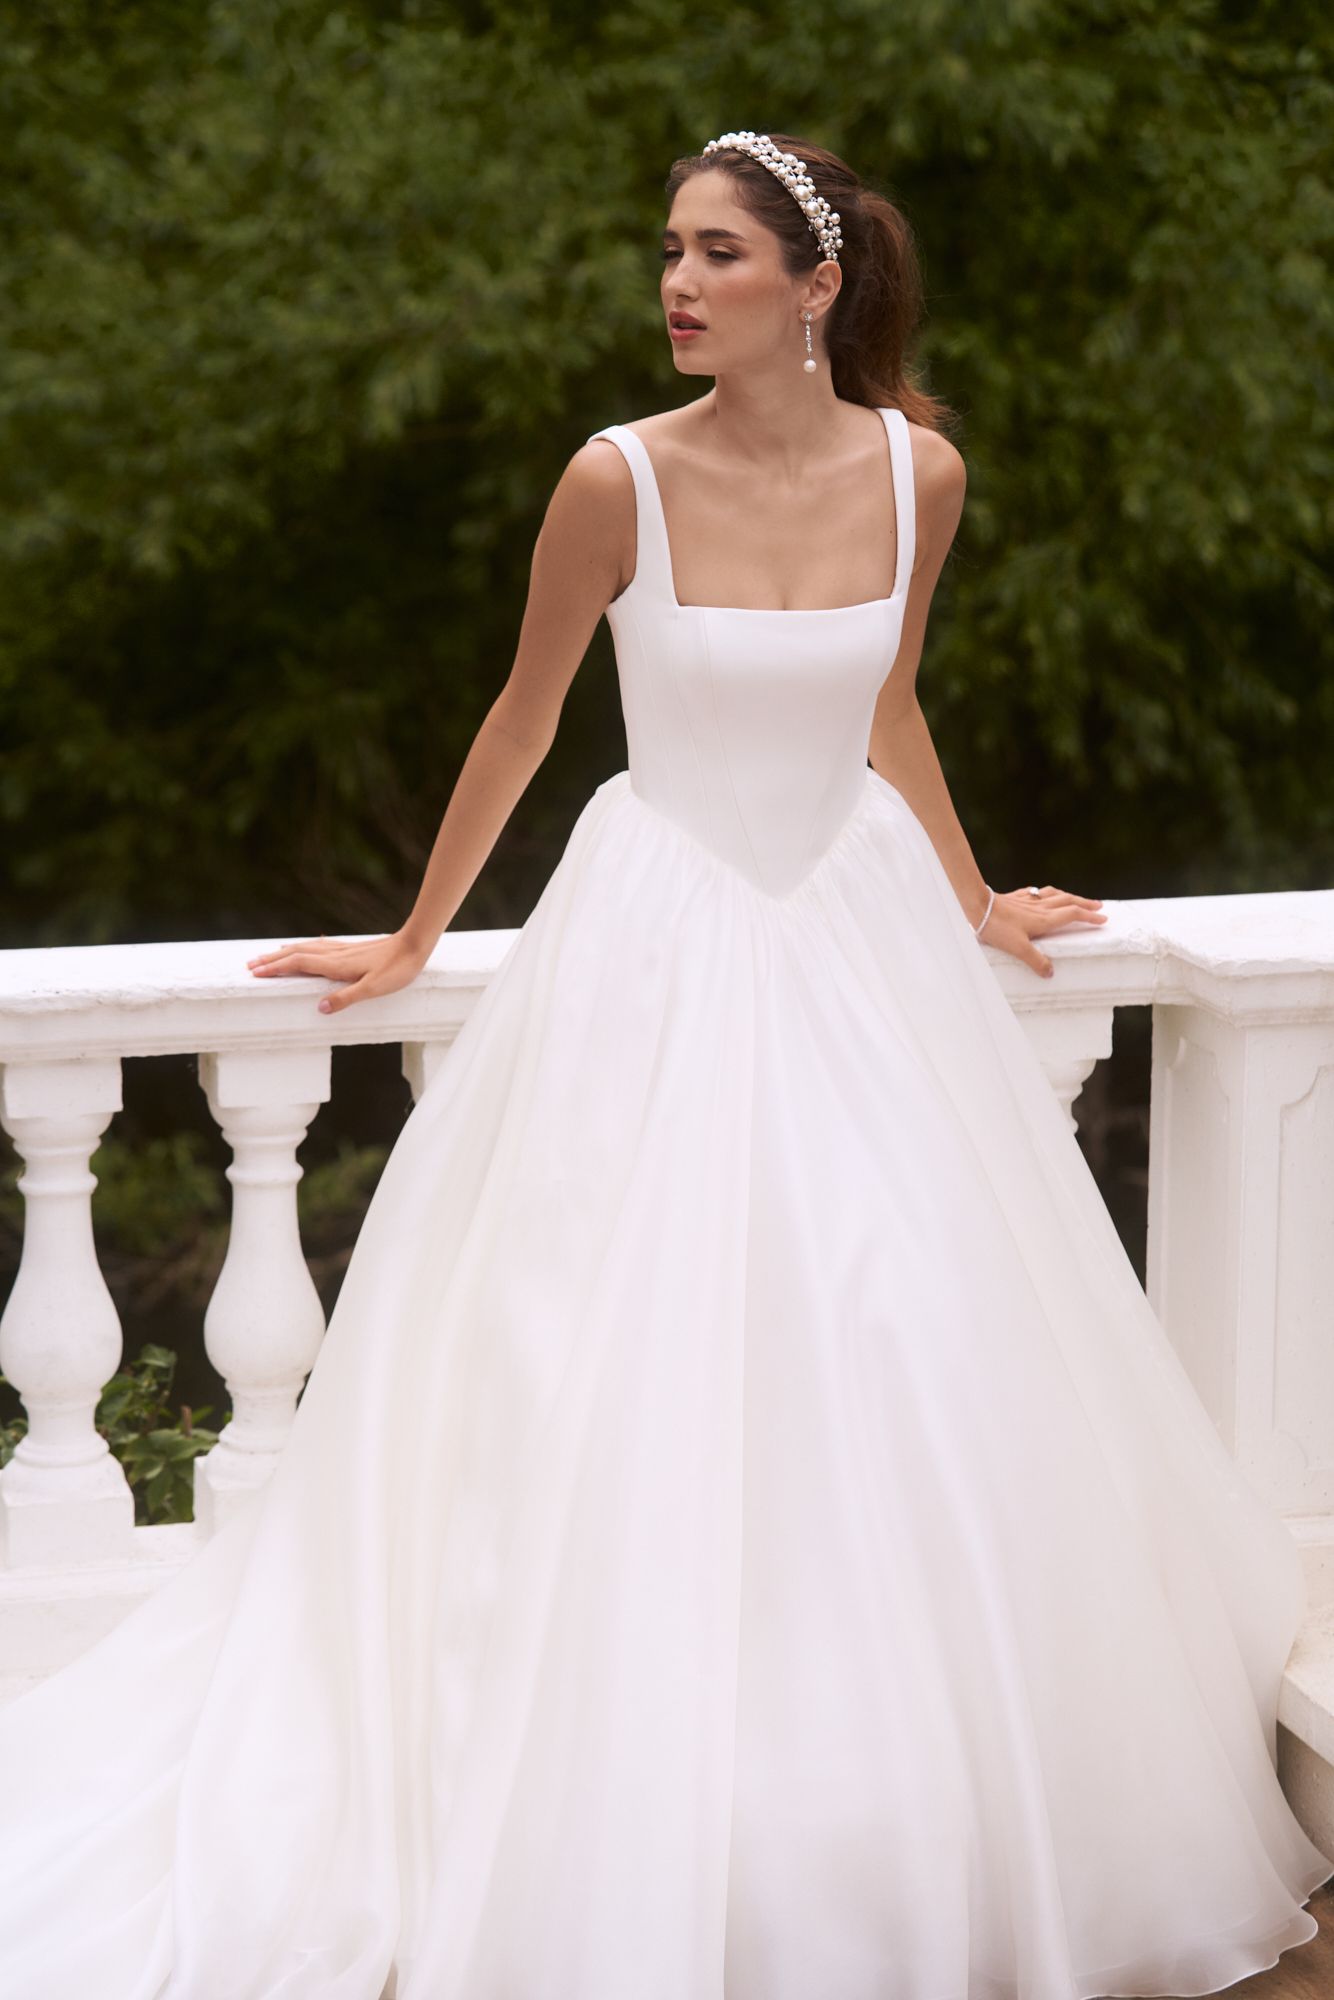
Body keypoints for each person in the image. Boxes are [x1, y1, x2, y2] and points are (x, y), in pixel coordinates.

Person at [0, 129, 1328, 2000]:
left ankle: (873, 1808)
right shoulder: (611, 479)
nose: (676, 284)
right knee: (606, 1351)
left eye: (716, 254)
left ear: (818, 286)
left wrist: (967, 894)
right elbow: (526, 715)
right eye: (670, 253)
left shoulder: (917, 472)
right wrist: (407, 931)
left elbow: (887, 702)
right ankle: (598, 1783)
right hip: (658, 936)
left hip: (857, 933)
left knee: (894, 1339)